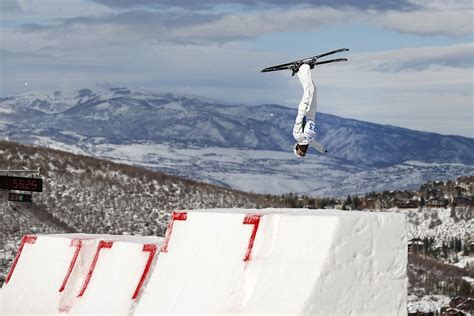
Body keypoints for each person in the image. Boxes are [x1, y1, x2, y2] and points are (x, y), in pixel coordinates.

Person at [293, 63, 317, 158]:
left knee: (309, 89)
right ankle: (300, 71)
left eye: (300, 152)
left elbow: (298, 122)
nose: (303, 152)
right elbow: (317, 146)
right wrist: (324, 150)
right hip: (312, 113)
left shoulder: (298, 137)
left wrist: (303, 111)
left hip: (305, 111)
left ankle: (303, 67)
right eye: (303, 154)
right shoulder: (310, 141)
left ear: (297, 148)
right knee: (313, 89)